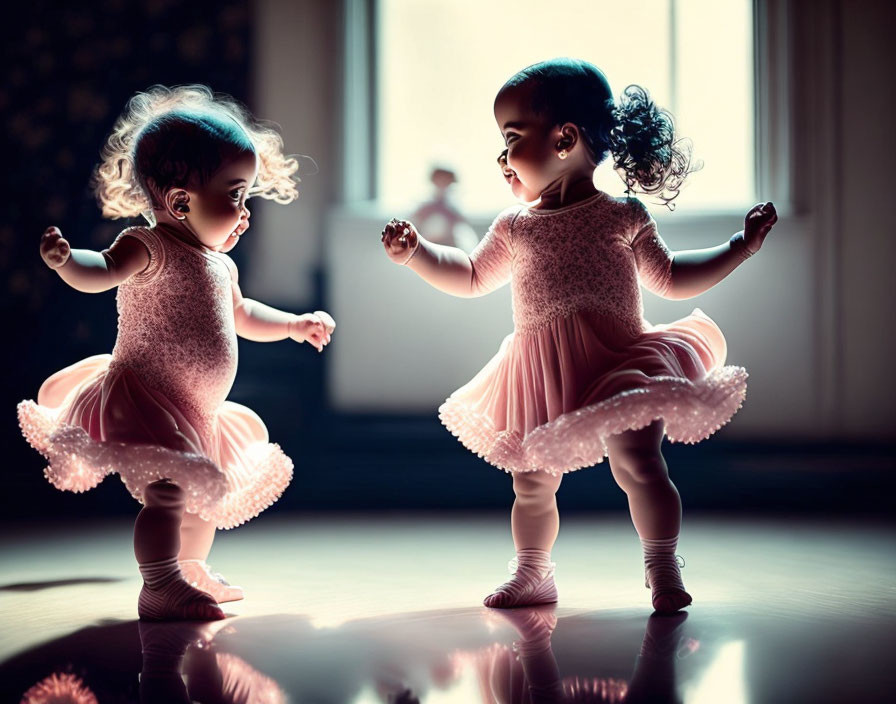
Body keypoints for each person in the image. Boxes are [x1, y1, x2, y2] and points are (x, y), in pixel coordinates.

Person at [381, 59, 776, 612]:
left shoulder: (621, 215)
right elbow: (470, 275)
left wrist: (740, 246)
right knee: (531, 480)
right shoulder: (515, 226)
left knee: (639, 462)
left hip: (621, 364)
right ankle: (533, 571)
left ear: (565, 138)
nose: (502, 158)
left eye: (512, 139)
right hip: (544, 374)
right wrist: (418, 254)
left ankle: (662, 565)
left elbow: (672, 278)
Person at [18, 85, 335, 621]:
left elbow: (243, 315)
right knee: (166, 493)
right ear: (181, 201)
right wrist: (66, 262)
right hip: (147, 393)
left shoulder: (220, 264)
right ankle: (159, 582)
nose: (243, 212)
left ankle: (189, 568)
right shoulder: (149, 247)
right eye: (235, 196)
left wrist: (293, 325)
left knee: (202, 496)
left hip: (198, 410)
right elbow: (101, 273)